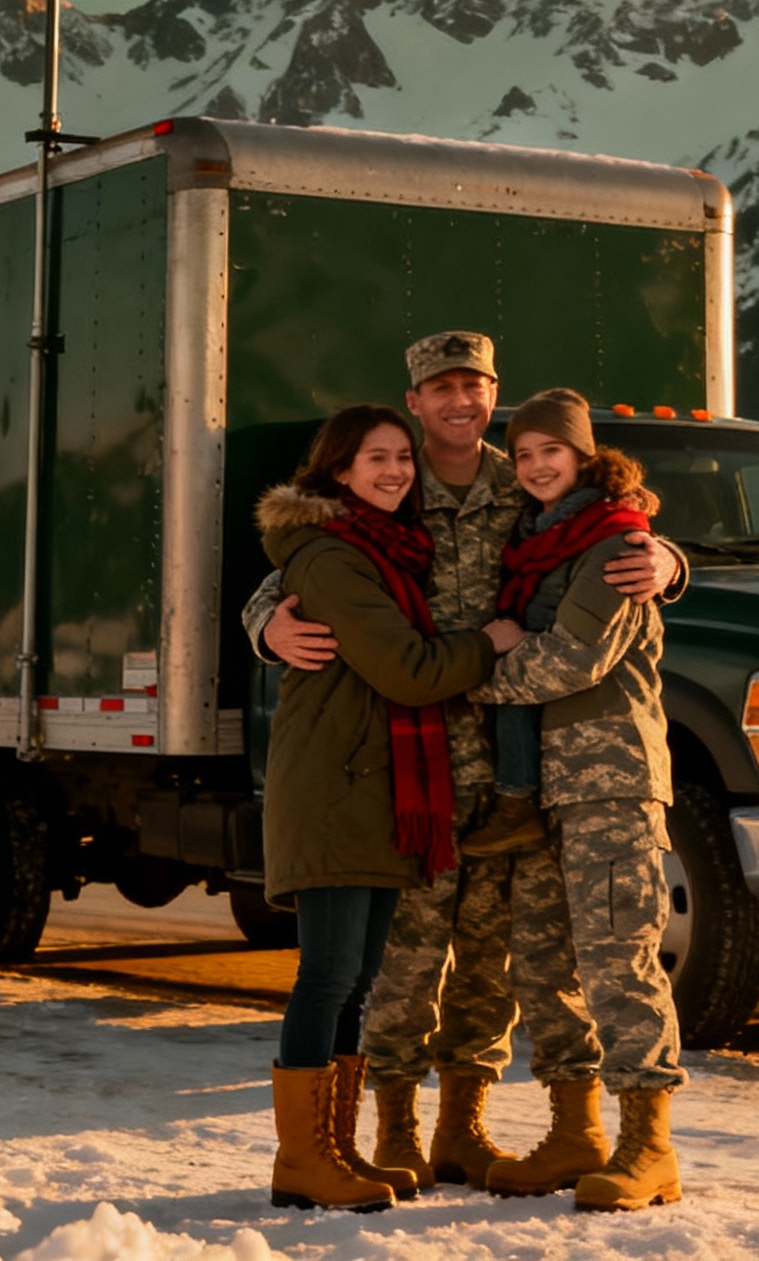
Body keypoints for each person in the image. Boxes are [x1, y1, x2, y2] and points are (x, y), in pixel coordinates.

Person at [242, 331, 686, 1189]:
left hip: (517, 769)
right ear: (413, 400)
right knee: (404, 965)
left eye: (473, 388)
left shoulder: (520, 482)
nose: (458, 403)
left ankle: (464, 1130)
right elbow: (309, 553)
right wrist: (262, 621)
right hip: (412, 767)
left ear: (492, 394)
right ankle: (396, 1133)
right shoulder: (391, 484)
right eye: (439, 388)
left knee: (496, 967)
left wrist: (669, 561)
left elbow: (612, 520)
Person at [255, 402, 525, 1212]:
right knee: (329, 974)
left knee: (356, 976)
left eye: (402, 459)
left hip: (376, 783)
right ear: (339, 469)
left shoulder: (390, 545)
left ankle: (333, 1152)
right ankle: (302, 1161)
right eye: (376, 458)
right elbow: (405, 669)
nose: (396, 471)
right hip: (339, 784)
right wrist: (491, 642)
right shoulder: (336, 554)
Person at [473, 388, 687, 1211]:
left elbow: (570, 661)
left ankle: (650, 1148)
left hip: (608, 783)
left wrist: (467, 672)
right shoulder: (533, 543)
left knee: (618, 963)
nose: (534, 467)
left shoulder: (616, 546)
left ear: (584, 455)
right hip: (537, 790)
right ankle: (576, 1132)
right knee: (544, 964)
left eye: (549, 452)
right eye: (522, 455)